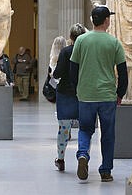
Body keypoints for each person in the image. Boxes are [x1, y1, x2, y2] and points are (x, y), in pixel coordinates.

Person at [70, 6, 128, 182]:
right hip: (107, 95)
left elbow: (73, 68)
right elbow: (123, 71)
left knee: (85, 129)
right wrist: (120, 93)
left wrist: (77, 89)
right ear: (106, 21)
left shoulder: (81, 40)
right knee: (108, 133)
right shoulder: (114, 42)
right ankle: (105, 170)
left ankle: (82, 155)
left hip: (86, 94)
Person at [52, 23, 86, 171]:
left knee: (64, 128)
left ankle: (61, 159)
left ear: (71, 37)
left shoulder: (66, 51)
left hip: (65, 93)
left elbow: (57, 73)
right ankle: (83, 156)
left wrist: (54, 74)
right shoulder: (86, 51)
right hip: (83, 93)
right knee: (84, 128)